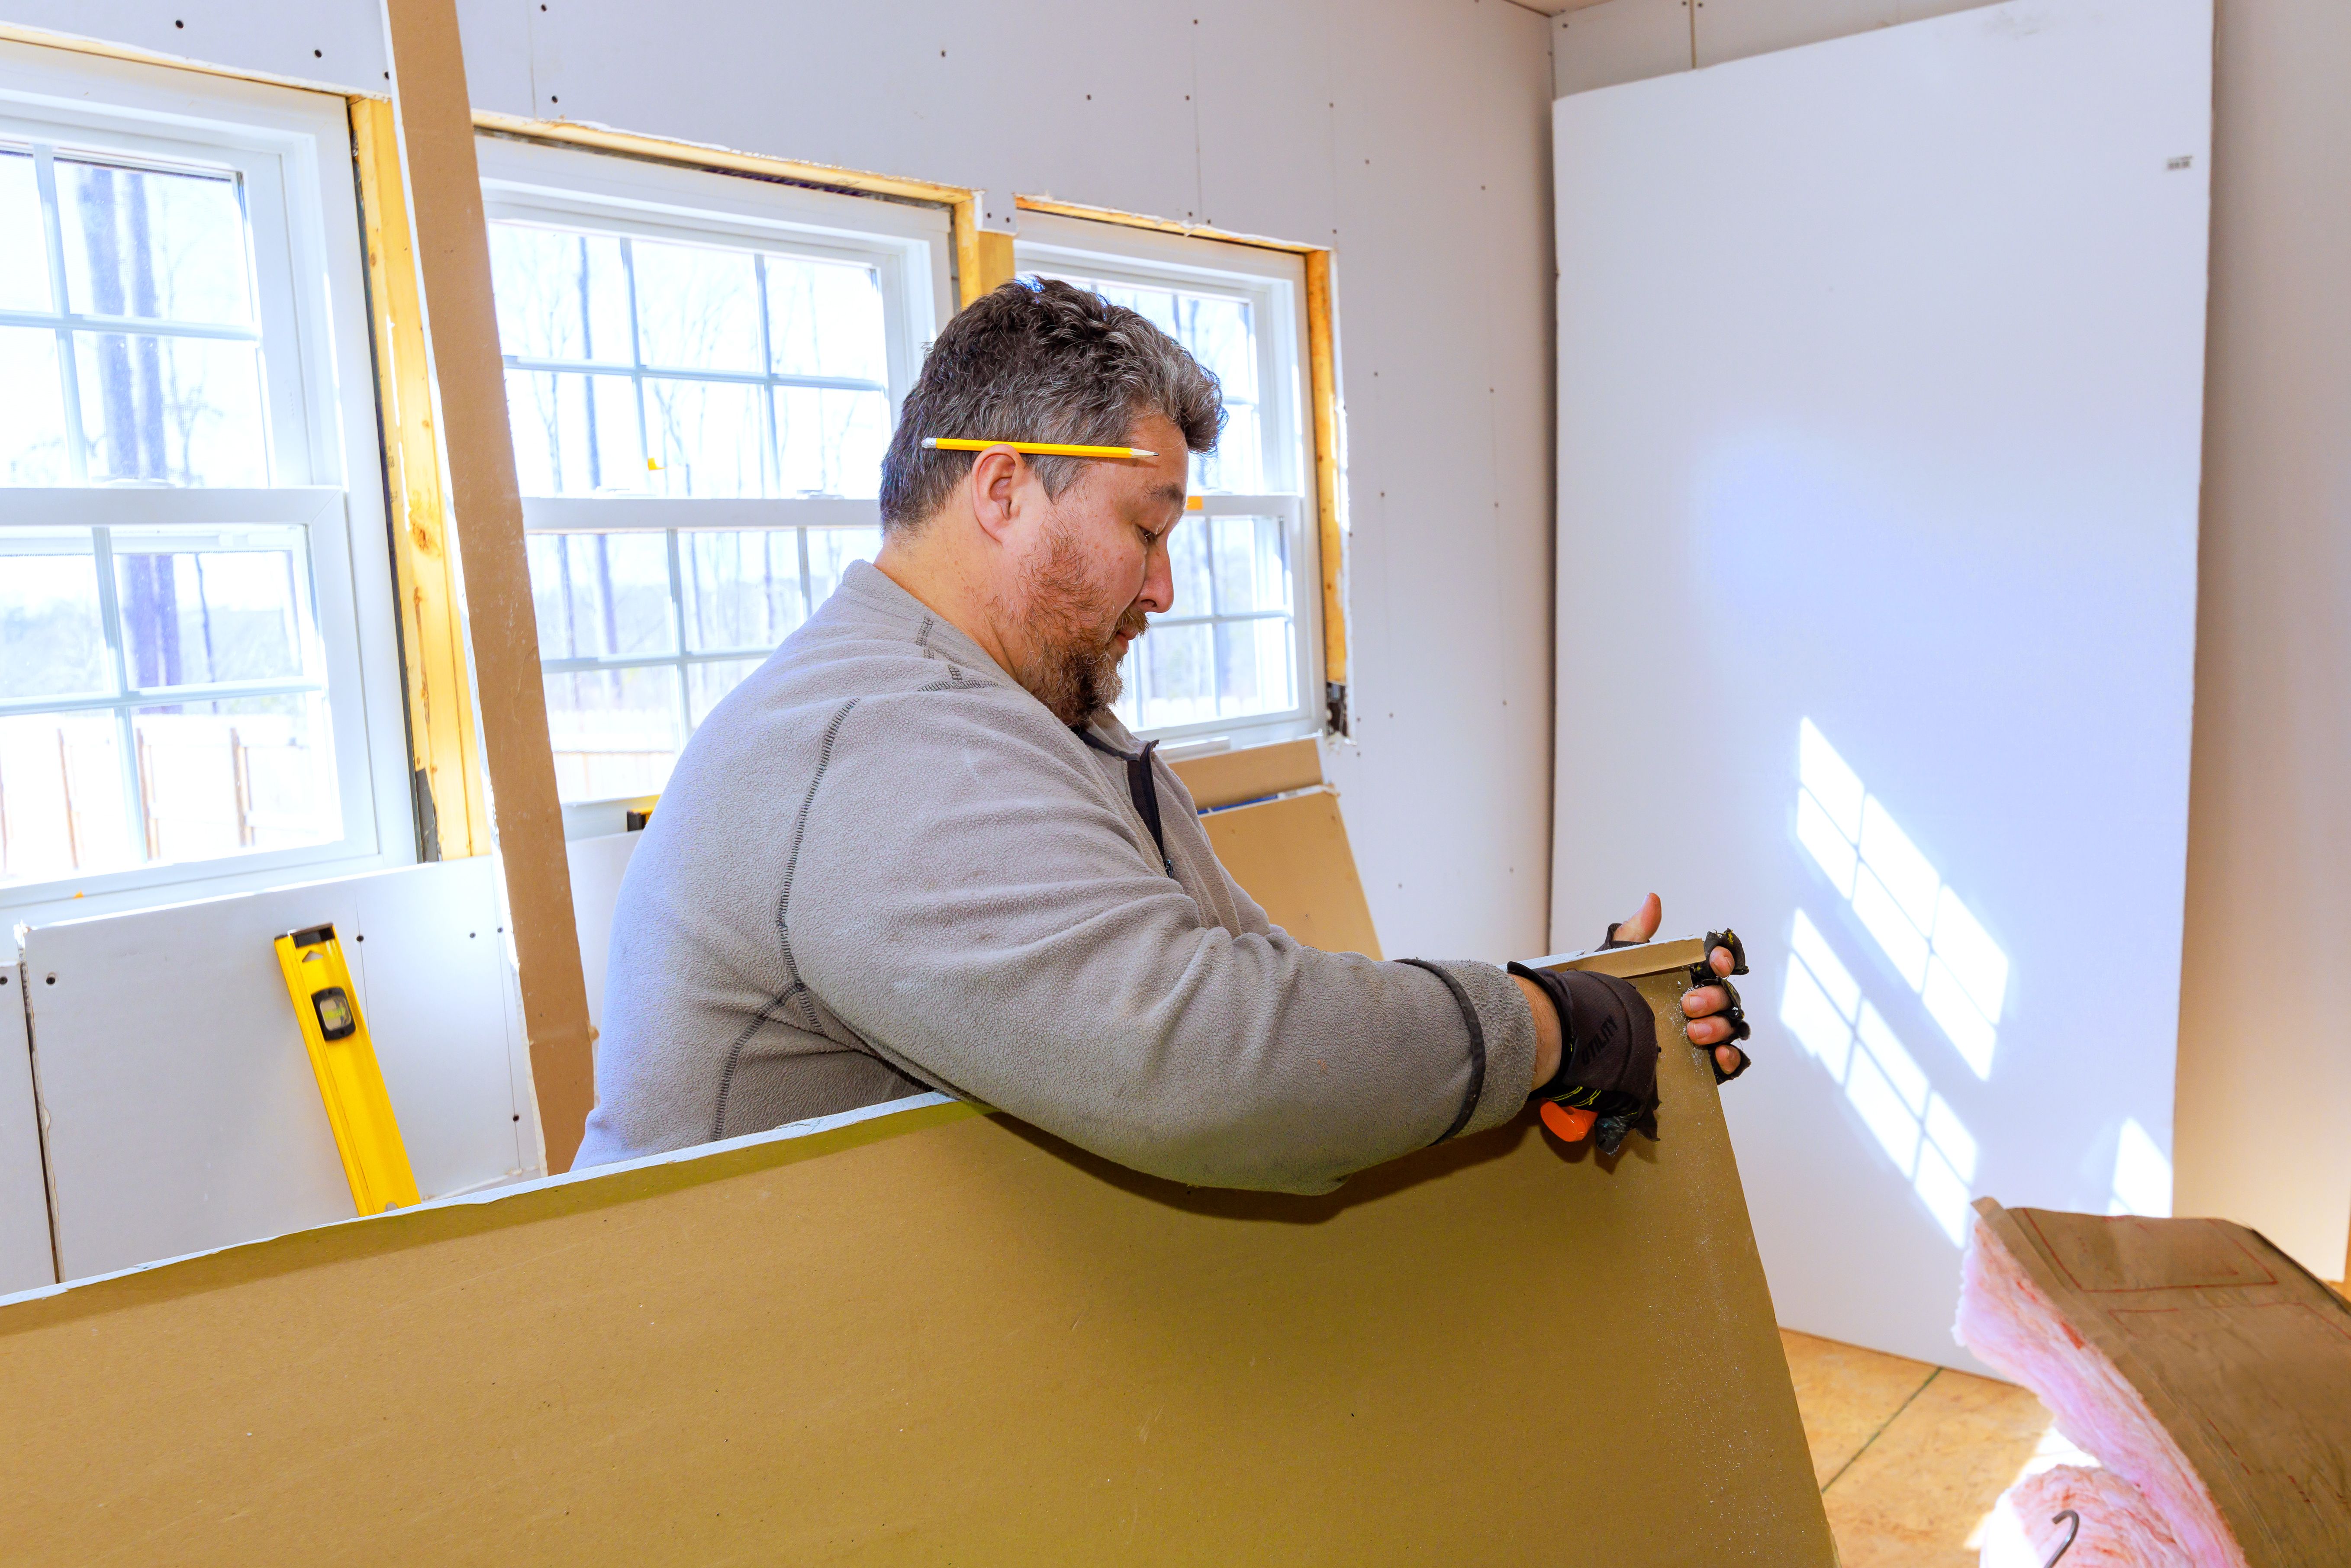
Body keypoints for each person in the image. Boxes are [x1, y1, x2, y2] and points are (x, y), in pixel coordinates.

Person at [574, 280, 1749, 1188]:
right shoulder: (880, 741)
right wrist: (1546, 1027)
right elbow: (1218, 1066)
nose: (1166, 589)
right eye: (1147, 528)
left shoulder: (1048, 731)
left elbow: (1268, 993)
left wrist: (1571, 1008)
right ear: (1002, 492)